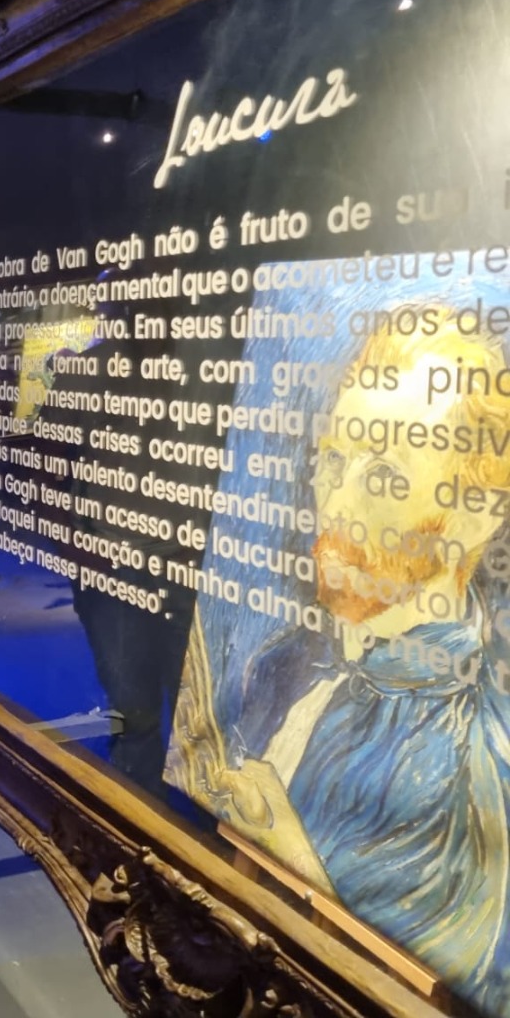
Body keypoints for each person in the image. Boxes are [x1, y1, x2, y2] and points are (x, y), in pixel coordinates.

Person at [170, 310, 510, 1013]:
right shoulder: (283, 660)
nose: (336, 503)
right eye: (333, 462)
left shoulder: (481, 761)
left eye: (384, 473)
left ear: (477, 513)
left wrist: (292, 857)